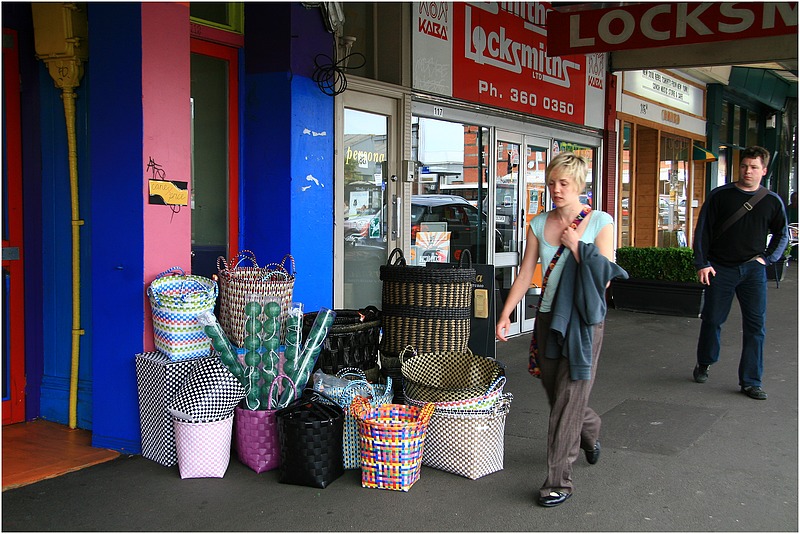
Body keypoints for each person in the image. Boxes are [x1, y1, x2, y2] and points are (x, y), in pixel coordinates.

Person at [495, 152, 626, 508]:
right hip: (549, 320)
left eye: (563, 183)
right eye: (551, 182)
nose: (555, 189)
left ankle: (558, 482)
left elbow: (606, 275)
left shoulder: (600, 221)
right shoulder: (539, 223)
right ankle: (590, 430)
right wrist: (506, 314)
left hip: (584, 323)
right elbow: (526, 274)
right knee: (558, 394)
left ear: (579, 185)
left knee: (567, 402)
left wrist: (576, 247)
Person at [692, 146, 789, 400]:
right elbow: (702, 231)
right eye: (745, 166)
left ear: (764, 171)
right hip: (720, 269)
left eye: (754, 167)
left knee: (756, 327)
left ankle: (751, 381)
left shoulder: (771, 200)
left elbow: (782, 233)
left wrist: (767, 259)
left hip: (752, 272)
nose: (748, 171)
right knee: (712, 320)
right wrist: (702, 263)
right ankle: (705, 361)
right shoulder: (720, 196)